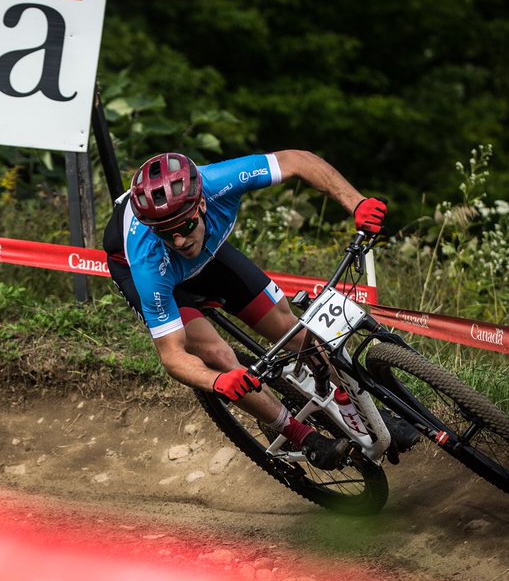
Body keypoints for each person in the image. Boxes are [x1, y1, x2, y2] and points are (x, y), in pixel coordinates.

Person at [102, 150, 395, 470]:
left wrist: (356, 202)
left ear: (200, 204)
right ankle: (300, 435)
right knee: (219, 356)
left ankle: (367, 413)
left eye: (185, 226)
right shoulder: (148, 263)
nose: (180, 240)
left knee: (294, 331)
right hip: (150, 273)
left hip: (208, 251)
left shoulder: (219, 183)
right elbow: (172, 355)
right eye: (167, 233)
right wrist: (217, 383)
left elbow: (297, 161)